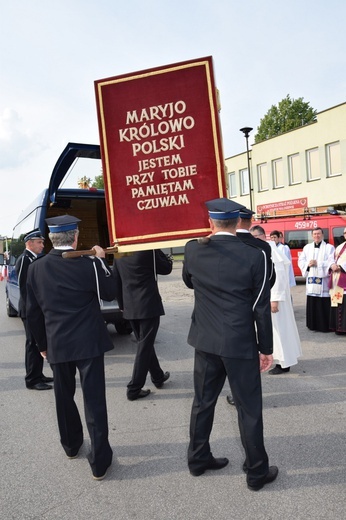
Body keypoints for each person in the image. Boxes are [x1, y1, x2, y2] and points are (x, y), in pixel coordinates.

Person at [183, 198, 278, 491]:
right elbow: (260, 307)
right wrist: (266, 348)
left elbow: (188, 281)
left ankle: (198, 459)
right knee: (249, 409)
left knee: (202, 402)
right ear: (238, 222)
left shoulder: (192, 249)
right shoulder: (256, 255)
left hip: (206, 340)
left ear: (211, 221)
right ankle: (256, 472)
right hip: (239, 342)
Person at [26, 215, 116, 480]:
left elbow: (32, 312)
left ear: (53, 238)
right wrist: (101, 259)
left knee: (63, 397)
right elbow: (110, 292)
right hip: (88, 342)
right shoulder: (88, 264)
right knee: (94, 400)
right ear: (75, 237)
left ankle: (71, 446)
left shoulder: (37, 268)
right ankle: (99, 461)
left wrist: (41, 344)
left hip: (57, 341)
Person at [226, 214, 276, 406]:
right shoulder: (263, 247)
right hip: (253, 302)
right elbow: (270, 278)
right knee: (247, 354)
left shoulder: (223, 242)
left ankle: (235, 392)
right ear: (248, 221)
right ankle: (246, 393)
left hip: (228, 308)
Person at [113, 249, 173, 401]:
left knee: (145, 343)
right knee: (144, 346)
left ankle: (158, 376)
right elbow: (166, 268)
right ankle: (134, 388)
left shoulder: (119, 252)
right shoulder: (148, 251)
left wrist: (121, 304)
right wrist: (159, 249)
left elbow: (117, 279)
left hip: (130, 305)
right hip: (148, 305)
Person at [15, 230, 53, 390]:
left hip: (35, 309)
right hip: (30, 310)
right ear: (29, 243)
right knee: (33, 344)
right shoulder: (25, 259)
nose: (42, 245)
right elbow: (24, 288)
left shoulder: (33, 258)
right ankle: (32, 379)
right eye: (39, 242)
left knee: (38, 341)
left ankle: (38, 374)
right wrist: (34, 308)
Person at [268, 241, 302, 374]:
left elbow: (279, 279)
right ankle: (279, 359)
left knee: (280, 331)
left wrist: (274, 299)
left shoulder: (272, 253)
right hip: (272, 299)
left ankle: (284, 363)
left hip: (276, 301)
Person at [298, 227, 335, 332]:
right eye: (314, 234)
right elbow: (301, 260)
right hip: (311, 279)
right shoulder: (307, 247)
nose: (316, 236)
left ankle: (325, 326)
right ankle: (313, 325)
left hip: (323, 280)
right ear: (312, 235)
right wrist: (308, 265)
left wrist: (317, 263)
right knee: (313, 301)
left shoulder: (329, 247)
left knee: (323, 303)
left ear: (322, 235)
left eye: (318, 234)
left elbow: (331, 262)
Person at [329, 227, 346, 335]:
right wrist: (333, 265)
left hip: (344, 276)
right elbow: (332, 258)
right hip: (337, 279)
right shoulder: (340, 246)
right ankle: (339, 328)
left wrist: (341, 267)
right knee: (338, 303)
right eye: (345, 233)